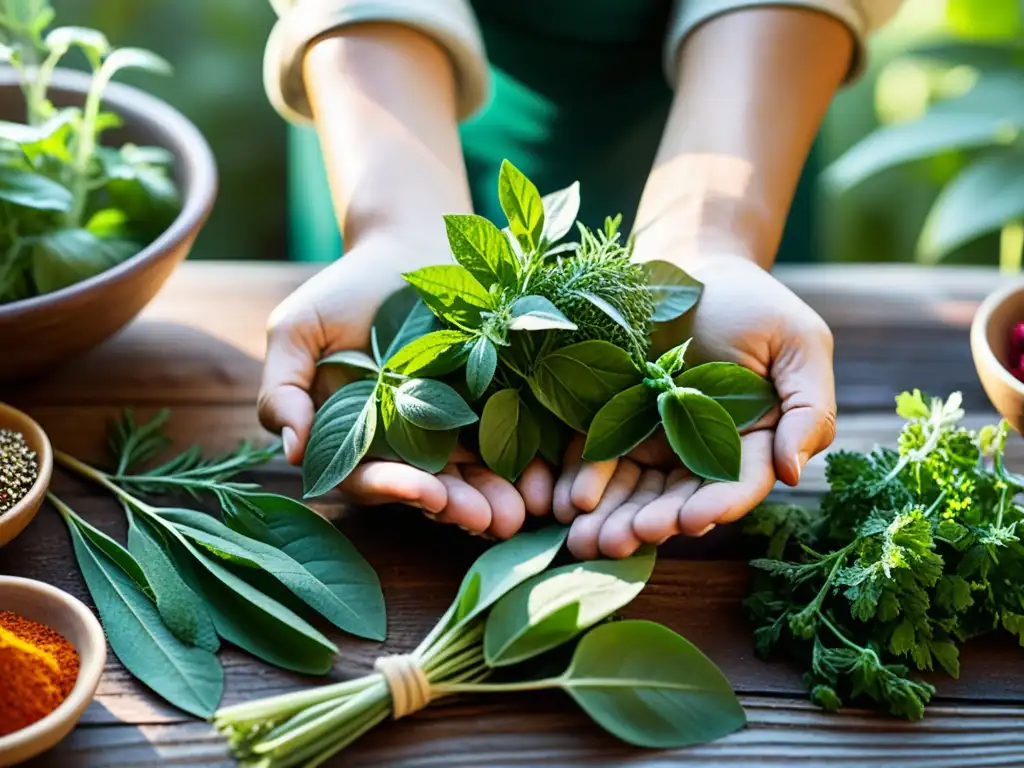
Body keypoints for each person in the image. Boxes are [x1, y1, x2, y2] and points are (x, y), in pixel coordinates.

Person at [256, 0, 903, 559]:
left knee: (693, 296)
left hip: (745, 98)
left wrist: (713, 240)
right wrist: (395, 232)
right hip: (386, 104)